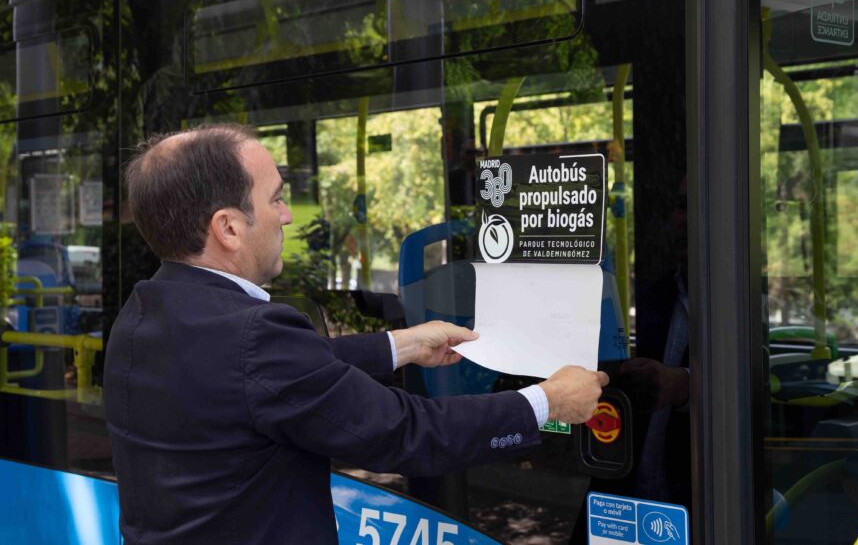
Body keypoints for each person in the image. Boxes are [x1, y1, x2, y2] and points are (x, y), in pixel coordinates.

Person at [103, 124, 608, 545]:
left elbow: (266, 377)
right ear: (228, 228)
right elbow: (403, 432)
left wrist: (403, 344)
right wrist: (547, 402)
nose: (286, 216)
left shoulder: (146, 311)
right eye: (277, 199)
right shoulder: (252, 337)